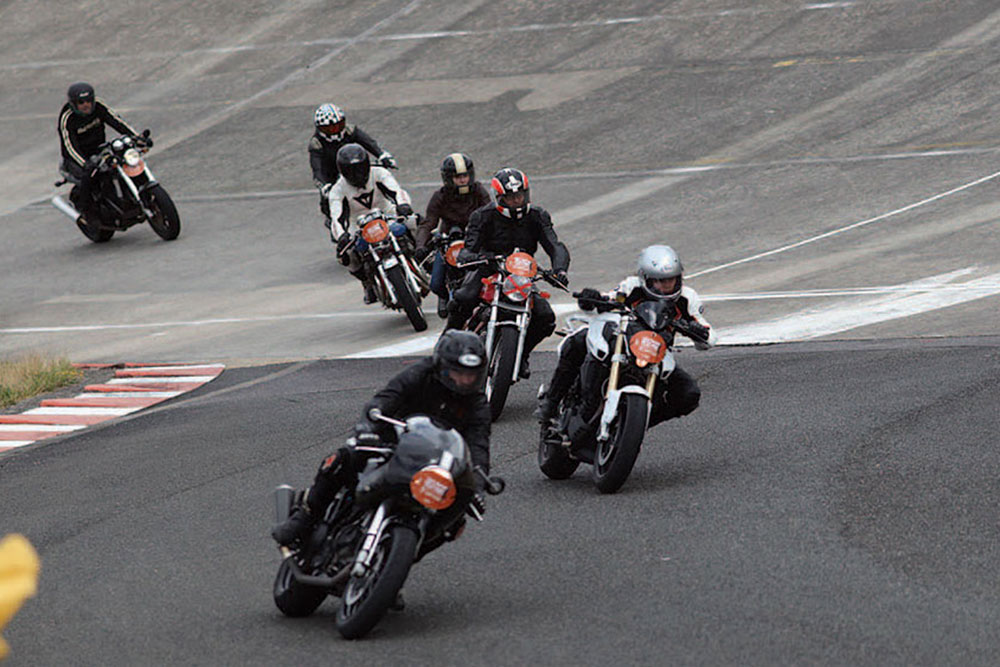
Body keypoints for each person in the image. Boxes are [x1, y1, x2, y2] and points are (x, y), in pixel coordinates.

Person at [272, 330, 491, 546]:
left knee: (457, 516)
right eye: (458, 373)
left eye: (470, 375)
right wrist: (368, 427)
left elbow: (478, 442)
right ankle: (305, 517)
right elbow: (386, 397)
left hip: (432, 461)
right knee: (343, 459)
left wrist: (478, 481)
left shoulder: (478, 403)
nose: (464, 380)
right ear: (442, 366)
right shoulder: (420, 374)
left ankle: (412, 548)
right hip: (393, 441)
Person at [536, 245, 716, 430]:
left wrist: (697, 330)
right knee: (578, 340)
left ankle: (635, 423)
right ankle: (551, 400)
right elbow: (611, 298)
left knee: (689, 394)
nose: (665, 286)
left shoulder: (688, 298)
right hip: (622, 342)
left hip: (657, 354)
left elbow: (708, 337)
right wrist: (593, 298)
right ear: (646, 278)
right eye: (659, 281)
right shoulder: (632, 286)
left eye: (670, 280)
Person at [446, 167, 570, 378]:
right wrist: (473, 258)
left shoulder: (538, 216)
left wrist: (559, 270)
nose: (516, 201)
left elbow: (555, 245)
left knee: (545, 317)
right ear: (499, 197)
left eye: (520, 196)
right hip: (488, 268)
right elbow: (467, 250)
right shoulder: (482, 216)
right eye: (511, 197)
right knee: (463, 298)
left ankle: (521, 355)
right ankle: (445, 344)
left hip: (521, 275)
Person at [327, 143, 415, 303]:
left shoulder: (380, 173)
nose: (357, 174)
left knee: (413, 222)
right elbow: (336, 218)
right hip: (358, 224)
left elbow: (397, 191)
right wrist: (341, 236)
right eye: (351, 171)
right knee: (347, 255)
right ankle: (367, 283)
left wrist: (403, 205)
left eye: (360, 168)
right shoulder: (337, 190)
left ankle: (423, 257)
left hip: (387, 213)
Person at [414, 153, 491, 318]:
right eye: (458, 177)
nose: (463, 180)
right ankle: (443, 296)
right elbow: (428, 223)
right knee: (435, 284)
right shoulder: (440, 196)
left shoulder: (478, 191)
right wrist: (420, 245)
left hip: (475, 240)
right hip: (448, 242)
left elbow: (490, 213)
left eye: (465, 176)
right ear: (448, 178)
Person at [57, 82, 141, 223]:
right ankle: (88, 214)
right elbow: (69, 145)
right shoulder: (67, 118)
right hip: (77, 157)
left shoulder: (99, 106)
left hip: (100, 148)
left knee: (123, 160)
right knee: (89, 176)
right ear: (73, 103)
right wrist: (85, 163)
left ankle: (133, 197)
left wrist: (136, 137)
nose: (86, 105)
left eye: (89, 100)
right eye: (81, 102)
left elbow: (116, 121)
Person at [309, 103, 396, 223]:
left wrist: (382, 155)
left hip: (357, 169)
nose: (334, 131)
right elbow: (317, 169)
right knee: (329, 202)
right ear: (320, 129)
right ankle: (336, 225)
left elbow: (369, 143)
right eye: (329, 129)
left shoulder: (350, 130)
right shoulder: (316, 144)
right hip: (333, 176)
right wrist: (324, 185)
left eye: (337, 126)